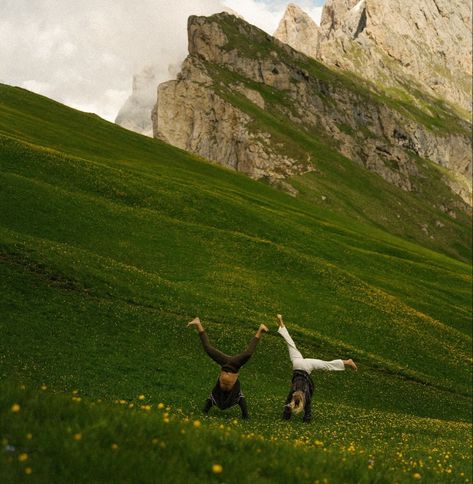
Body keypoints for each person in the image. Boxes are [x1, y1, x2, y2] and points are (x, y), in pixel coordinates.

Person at [276, 314, 357, 423]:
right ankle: (347, 362)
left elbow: (304, 407)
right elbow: (300, 406)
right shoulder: (295, 392)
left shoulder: (302, 395)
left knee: (292, 344)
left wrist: (286, 418)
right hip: (297, 364)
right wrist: (305, 420)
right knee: (292, 345)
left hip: (304, 366)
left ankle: (281, 324)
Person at [188, 317, 268, 419]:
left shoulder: (232, 396)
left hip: (229, 364)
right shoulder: (217, 395)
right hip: (231, 364)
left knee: (210, 349)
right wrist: (204, 411)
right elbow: (211, 400)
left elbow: (240, 402)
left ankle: (260, 330)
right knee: (210, 349)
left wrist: (245, 415)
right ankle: (197, 323)